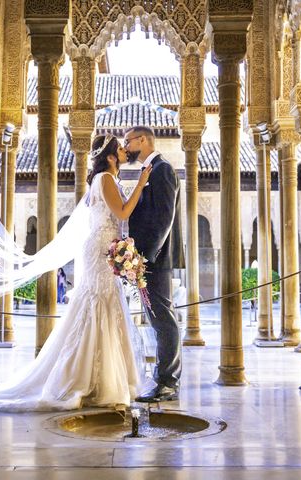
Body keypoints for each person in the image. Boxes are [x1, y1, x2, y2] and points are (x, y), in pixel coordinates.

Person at [0, 134, 152, 412]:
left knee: (104, 305)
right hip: (100, 250)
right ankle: (87, 379)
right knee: (98, 304)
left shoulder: (107, 180)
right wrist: (141, 184)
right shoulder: (105, 179)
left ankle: (105, 377)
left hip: (106, 247)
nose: (125, 152)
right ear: (110, 156)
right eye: (120, 149)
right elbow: (122, 213)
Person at [125, 125, 185, 402]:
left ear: (142, 140)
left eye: (128, 142)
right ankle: (164, 379)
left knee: (163, 318)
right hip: (149, 258)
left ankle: (167, 382)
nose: (126, 147)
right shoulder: (152, 170)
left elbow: (164, 217)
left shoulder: (163, 170)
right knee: (156, 317)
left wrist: (146, 257)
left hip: (155, 260)